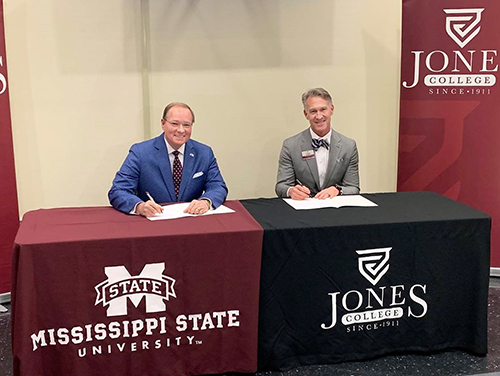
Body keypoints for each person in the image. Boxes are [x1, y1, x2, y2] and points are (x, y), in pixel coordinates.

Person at [109, 102, 228, 217]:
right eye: (175, 124)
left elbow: (218, 186)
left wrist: (205, 202)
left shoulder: (204, 153)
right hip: (153, 223)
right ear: (163, 123)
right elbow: (118, 190)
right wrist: (140, 207)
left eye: (186, 125)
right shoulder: (140, 152)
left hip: (192, 221)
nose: (181, 130)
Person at [275, 88, 359, 200]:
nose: (319, 116)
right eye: (313, 111)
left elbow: (353, 188)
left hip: (336, 210)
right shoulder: (290, 145)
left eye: (323, 109)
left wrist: (337, 190)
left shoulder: (348, 146)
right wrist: (291, 191)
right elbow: (281, 187)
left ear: (331, 110)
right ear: (306, 114)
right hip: (302, 210)